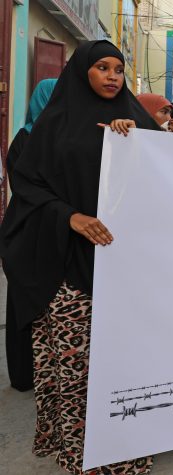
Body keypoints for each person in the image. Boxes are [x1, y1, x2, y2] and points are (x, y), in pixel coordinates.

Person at [0, 40, 161, 474]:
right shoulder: (53, 125)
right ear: (81, 72)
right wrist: (69, 216)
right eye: (102, 67)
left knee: (124, 364)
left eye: (119, 69)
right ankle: (81, 457)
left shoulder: (138, 122)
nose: (112, 76)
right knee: (77, 369)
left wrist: (137, 143)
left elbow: (172, 177)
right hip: (66, 266)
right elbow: (29, 189)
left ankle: (126, 456)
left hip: (124, 268)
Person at [4, 78, 57, 392]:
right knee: (25, 300)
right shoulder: (25, 139)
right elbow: (25, 188)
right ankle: (25, 374)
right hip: (28, 231)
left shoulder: (68, 135)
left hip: (52, 229)